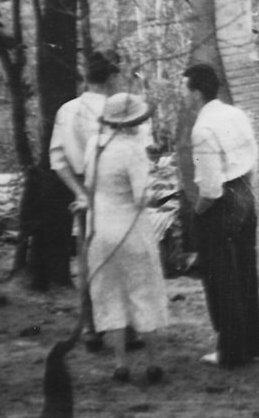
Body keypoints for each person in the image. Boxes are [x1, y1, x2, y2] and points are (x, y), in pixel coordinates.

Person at [48, 49, 145, 352]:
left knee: (91, 261)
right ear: (112, 77)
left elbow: (57, 160)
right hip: (115, 194)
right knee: (122, 259)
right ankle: (126, 328)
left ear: (86, 77)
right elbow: (135, 154)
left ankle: (92, 327)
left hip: (85, 192)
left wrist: (79, 192)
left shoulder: (67, 110)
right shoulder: (120, 110)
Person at [182, 63, 259, 367]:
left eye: (185, 89)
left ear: (196, 92)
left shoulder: (203, 129)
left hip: (222, 203)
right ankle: (249, 345)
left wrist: (196, 213)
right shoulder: (235, 114)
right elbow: (254, 155)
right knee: (244, 272)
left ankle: (230, 351)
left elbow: (210, 188)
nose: (184, 95)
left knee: (222, 279)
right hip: (245, 194)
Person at [84, 93, 168, 384]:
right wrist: (154, 188)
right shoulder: (132, 150)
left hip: (99, 228)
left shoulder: (94, 145)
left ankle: (120, 363)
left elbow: (89, 184)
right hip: (130, 231)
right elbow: (141, 196)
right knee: (141, 292)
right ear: (133, 122)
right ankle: (152, 362)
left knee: (110, 293)